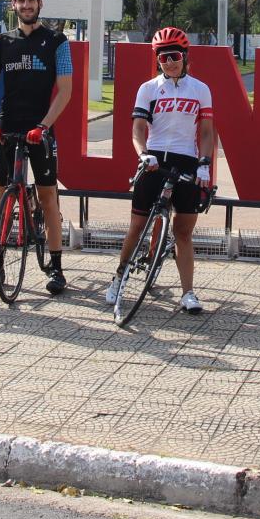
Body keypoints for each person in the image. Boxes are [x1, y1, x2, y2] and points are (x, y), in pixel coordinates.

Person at [0, 0, 74, 294]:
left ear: (40, 3)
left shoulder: (57, 42)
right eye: (20, 1)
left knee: (48, 197)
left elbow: (65, 91)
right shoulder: (2, 42)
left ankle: (56, 268)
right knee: (3, 199)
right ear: (13, 5)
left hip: (40, 129)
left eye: (32, 0)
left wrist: (43, 126)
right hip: (7, 127)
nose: (26, 5)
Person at [103, 27, 216, 313]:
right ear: (157, 60)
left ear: (185, 56)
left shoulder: (201, 89)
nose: (170, 62)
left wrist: (204, 164)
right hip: (154, 161)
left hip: (187, 162)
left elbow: (205, 132)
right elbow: (137, 129)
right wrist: (143, 155)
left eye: (175, 56)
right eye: (163, 57)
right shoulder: (148, 89)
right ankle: (118, 278)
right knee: (137, 226)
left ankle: (188, 293)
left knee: (183, 232)